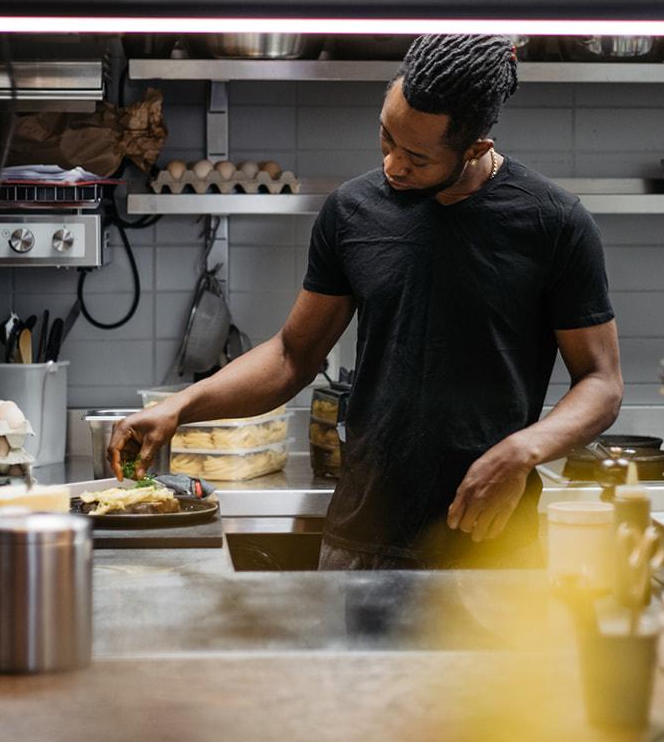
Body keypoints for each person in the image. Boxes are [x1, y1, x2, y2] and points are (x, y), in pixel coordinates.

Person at [108, 34, 623, 568]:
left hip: (491, 547)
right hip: (362, 537)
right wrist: (178, 407)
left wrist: (523, 451)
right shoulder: (352, 212)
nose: (394, 166)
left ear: (476, 149)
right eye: (386, 138)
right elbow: (291, 356)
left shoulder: (553, 223)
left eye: (418, 158)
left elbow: (602, 383)